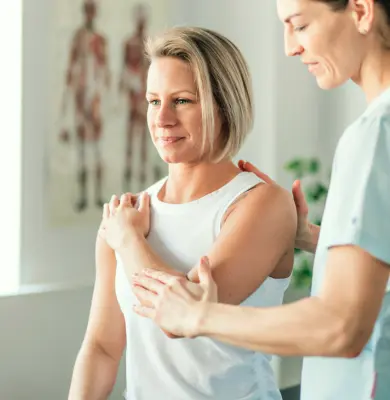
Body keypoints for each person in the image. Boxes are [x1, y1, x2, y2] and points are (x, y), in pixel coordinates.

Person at [133, 1, 390, 399]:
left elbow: (341, 326)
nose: (290, 47)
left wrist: (199, 314)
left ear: (360, 11)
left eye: (300, 25)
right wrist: (318, 238)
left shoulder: (375, 134)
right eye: (154, 101)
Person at [68, 26, 297, 400]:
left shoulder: (262, 204)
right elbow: (103, 348)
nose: (162, 119)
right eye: (154, 101)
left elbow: (182, 315)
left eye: (183, 101)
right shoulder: (127, 214)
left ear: (225, 105)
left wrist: (127, 241)